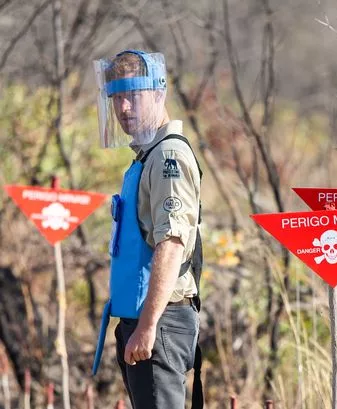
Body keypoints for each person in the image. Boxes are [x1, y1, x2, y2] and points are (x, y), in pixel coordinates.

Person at [91, 50, 204, 409]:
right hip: (145, 320)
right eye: (117, 98)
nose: (124, 109)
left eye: (133, 96)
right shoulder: (148, 156)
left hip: (161, 321)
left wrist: (148, 326)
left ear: (158, 94)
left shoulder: (168, 156)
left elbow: (171, 243)